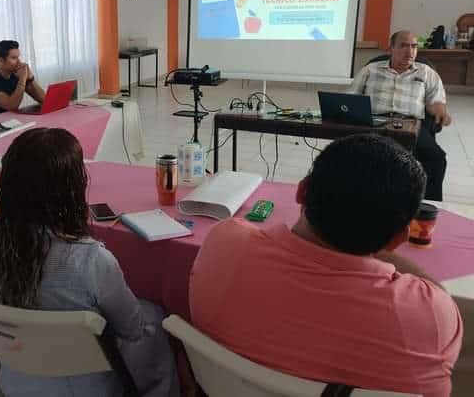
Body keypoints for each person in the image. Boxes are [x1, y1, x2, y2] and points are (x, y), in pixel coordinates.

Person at [190, 134, 462, 397]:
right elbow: (436, 295)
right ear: (399, 238)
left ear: (301, 190)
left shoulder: (224, 244)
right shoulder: (430, 315)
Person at [0, 128, 179, 397]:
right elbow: (132, 329)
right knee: (153, 315)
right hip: (87, 387)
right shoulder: (91, 260)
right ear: (73, 189)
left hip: (16, 379)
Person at [350, 30, 450, 200]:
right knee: (352, 153)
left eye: (414, 46)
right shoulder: (370, 69)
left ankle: (425, 206)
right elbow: (351, 96)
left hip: (410, 124)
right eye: (403, 45)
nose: (410, 51)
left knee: (436, 158)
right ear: (390, 49)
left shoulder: (426, 72)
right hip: (373, 121)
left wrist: (440, 110)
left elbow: (436, 100)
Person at [0, 40, 46, 117]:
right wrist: (22, 78)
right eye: (14, 58)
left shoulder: (15, 74)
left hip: (11, 120)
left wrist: (30, 78)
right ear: (1, 61)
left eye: (18, 57)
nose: (19, 62)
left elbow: (43, 99)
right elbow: (12, 106)